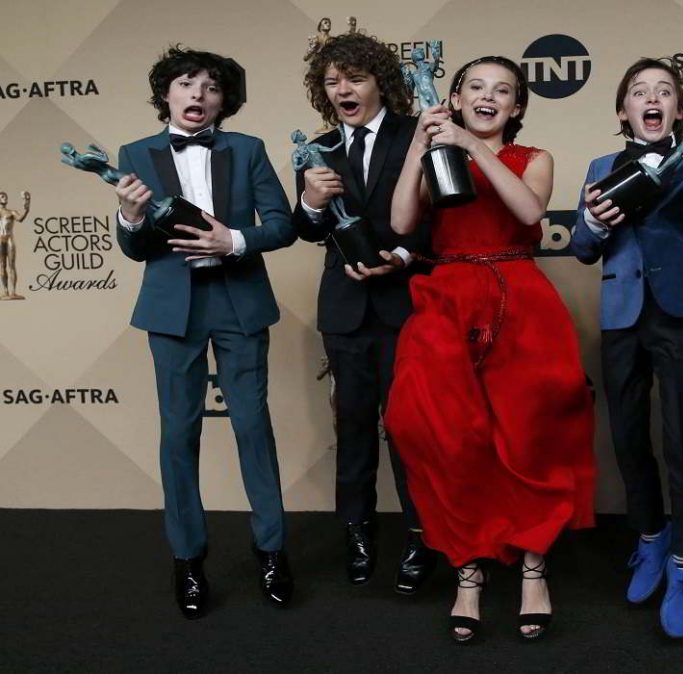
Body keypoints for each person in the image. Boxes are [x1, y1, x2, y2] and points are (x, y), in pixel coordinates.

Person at [385, 56, 595, 642]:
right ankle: (468, 572)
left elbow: (529, 214)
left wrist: (473, 149)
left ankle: (533, 568)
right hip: (447, 299)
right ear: (452, 98)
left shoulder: (534, 158)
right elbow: (403, 222)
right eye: (474, 87)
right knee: (444, 435)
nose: (488, 96)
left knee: (528, 438)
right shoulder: (435, 154)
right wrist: (422, 144)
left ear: (517, 107)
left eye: (502, 91)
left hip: (520, 301)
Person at [113, 46, 296, 619]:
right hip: (173, 311)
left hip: (239, 301)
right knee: (178, 436)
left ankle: (272, 552)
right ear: (165, 93)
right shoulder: (134, 154)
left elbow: (284, 225)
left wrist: (233, 241)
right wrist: (131, 217)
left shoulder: (248, 151)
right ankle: (188, 560)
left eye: (211, 87)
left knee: (252, 428)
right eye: (186, 83)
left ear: (226, 100)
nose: (198, 95)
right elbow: (136, 248)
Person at [570, 57, 683, 638]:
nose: (652, 98)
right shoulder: (599, 166)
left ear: (680, 109)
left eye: (665, 91)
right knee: (628, 438)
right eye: (639, 91)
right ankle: (651, 538)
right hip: (621, 318)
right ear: (624, 111)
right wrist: (593, 218)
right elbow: (585, 249)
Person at [292, 32, 436, 594]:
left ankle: (422, 536)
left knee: (410, 431)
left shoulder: (414, 134)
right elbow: (305, 230)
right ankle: (357, 533)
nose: (342, 89)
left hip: (406, 306)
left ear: (380, 82)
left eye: (353, 78)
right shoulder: (316, 149)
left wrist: (402, 256)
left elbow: (435, 214)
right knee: (352, 429)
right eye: (331, 82)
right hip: (346, 311)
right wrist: (311, 200)